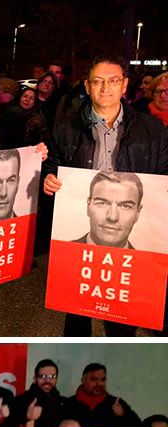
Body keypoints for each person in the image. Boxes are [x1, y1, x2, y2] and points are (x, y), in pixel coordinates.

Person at [43, 55, 168, 336]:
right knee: (76, 314)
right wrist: (48, 179)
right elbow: (52, 165)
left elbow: (163, 176)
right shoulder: (65, 126)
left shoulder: (152, 130)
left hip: (131, 241)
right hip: (80, 237)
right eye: (98, 82)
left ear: (124, 85)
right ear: (87, 86)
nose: (105, 88)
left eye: (113, 81)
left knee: (123, 318)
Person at [61, 362, 143, 427]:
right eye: (94, 379)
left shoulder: (116, 403)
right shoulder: (69, 404)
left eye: (103, 380)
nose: (99, 384)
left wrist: (123, 416)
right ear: (83, 380)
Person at [74, 171, 143, 249]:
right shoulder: (60, 253)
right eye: (102, 203)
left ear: (137, 213)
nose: (112, 217)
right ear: (88, 206)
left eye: (125, 206)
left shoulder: (146, 261)